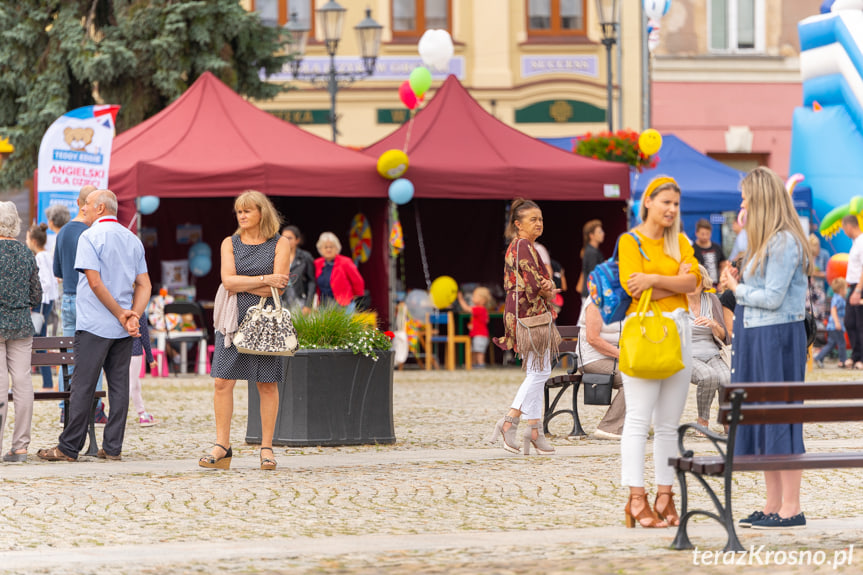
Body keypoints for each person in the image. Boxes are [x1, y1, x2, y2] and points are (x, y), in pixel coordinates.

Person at [720, 166, 812, 530]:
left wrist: (736, 288)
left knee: (780, 418)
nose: (742, 202)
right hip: (758, 334)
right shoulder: (765, 240)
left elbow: (773, 299)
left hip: (776, 337)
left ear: (760, 199)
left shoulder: (785, 240)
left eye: (746, 197)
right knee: (762, 419)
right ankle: (774, 503)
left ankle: (791, 506)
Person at [37, 189, 151, 462]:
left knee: (83, 385)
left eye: (86, 204)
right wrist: (132, 314)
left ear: (100, 208)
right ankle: (112, 448)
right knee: (119, 386)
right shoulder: (132, 239)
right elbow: (145, 284)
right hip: (122, 329)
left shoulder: (89, 237)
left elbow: (95, 282)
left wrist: (121, 314)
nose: (83, 209)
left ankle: (68, 448)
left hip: (94, 324)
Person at [618, 175, 700, 529]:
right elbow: (631, 285)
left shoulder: (680, 240)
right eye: (665, 202)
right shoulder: (630, 241)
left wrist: (654, 280)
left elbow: (695, 282)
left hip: (680, 332)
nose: (671, 209)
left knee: (668, 424)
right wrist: (670, 280)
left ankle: (665, 495)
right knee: (638, 419)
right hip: (646, 333)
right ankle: (637, 498)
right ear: (648, 201)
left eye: (676, 204)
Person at [201, 190, 292, 471]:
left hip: (265, 321)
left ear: (261, 213)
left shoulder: (281, 243)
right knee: (222, 382)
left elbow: (279, 287)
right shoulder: (230, 243)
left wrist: (246, 282)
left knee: (266, 384)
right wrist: (264, 279)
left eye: (247, 211)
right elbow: (228, 282)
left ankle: (266, 448)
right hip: (232, 319)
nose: (241, 216)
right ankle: (222, 446)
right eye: (239, 211)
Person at [489, 198, 558, 455]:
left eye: (540, 219)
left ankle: (534, 430)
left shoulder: (524, 246)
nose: (538, 223)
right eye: (533, 219)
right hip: (528, 312)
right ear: (518, 224)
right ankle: (510, 421)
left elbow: (540, 280)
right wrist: (548, 288)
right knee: (538, 373)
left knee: (536, 372)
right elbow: (534, 284)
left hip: (524, 311)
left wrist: (547, 285)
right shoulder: (523, 246)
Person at [53, 185, 106, 423]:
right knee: (94, 355)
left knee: (70, 356)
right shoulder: (92, 232)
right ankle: (94, 409)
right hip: (90, 299)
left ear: (77, 202)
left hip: (68, 298)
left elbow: (57, 271)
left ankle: (67, 408)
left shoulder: (63, 232)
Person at [0, 201, 42, 463]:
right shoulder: (26, 254)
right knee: (23, 382)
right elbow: (36, 296)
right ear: (15, 224)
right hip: (21, 326)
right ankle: (21, 446)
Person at [686, 264, 731, 430]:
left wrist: (713, 325)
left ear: (703, 283)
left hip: (712, 353)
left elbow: (723, 335)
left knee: (727, 378)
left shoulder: (711, 299)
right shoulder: (676, 302)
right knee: (708, 376)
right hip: (686, 354)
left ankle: (727, 419)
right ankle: (702, 421)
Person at [576, 300, 626, 440]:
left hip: (616, 359)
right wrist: (623, 355)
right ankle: (609, 429)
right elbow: (593, 339)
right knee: (632, 378)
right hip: (591, 360)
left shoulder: (625, 301)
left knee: (651, 373)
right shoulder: (595, 302)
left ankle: (635, 425)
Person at [26, 223, 59, 389]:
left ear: (32, 240)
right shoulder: (47, 255)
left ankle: (47, 382)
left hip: (41, 303)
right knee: (41, 341)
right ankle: (47, 381)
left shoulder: (39, 257)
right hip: (48, 302)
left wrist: (34, 292)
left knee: (38, 342)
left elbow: (44, 281)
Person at [314, 232, 364, 310]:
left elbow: (357, 281)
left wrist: (353, 297)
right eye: (325, 247)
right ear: (320, 249)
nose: (328, 249)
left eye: (331, 247)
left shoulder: (345, 262)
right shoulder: (317, 263)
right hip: (324, 304)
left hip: (343, 303)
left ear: (337, 248)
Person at [129, 312, 159, 426]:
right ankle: (118, 416)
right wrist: (150, 358)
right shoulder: (138, 311)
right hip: (135, 351)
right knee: (130, 385)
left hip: (119, 351)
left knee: (135, 384)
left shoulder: (117, 308)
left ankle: (141, 412)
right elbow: (144, 335)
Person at [842, 214, 863, 370]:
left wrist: (858, 290)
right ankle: (856, 355)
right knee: (849, 322)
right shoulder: (855, 243)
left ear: (849, 226)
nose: (843, 231)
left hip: (859, 286)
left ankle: (861, 358)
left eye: (843, 228)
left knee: (860, 323)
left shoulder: (862, 241)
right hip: (852, 285)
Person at [280, 225, 316, 314]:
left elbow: (312, 282)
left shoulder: (305, 257)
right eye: (283, 238)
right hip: (282, 299)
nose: (286, 241)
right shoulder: (277, 256)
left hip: (300, 299)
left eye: (289, 238)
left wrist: (308, 304)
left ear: (297, 240)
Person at [815, 277, 848, 369]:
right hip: (835, 326)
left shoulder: (837, 298)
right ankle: (843, 361)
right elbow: (833, 310)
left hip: (832, 326)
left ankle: (819, 357)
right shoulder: (839, 299)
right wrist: (837, 323)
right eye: (845, 288)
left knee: (831, 344)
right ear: (841, 290)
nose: (846, 290)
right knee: (841, 343)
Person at [457, 286, 492, 368]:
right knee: (475, 350)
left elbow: (466, 309)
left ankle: (480, 364)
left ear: (482, 300)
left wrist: (460, 299)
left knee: (478, 351)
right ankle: (474, 364)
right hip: (480, 335)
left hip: (480, 335)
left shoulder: (479, 309)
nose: (472, 298)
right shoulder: (483, 310)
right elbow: (486, 320)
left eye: (475, 296)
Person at [692, 219, 726, 287]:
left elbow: (723, 265)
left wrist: (722, 281)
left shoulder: (717, 247)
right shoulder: (692, 249)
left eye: (707, 234)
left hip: (716, 285)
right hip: (700, 286)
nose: (705, 237)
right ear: (696, 233)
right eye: (702, 234)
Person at [579, 219, 605, 300]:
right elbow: (593, 274)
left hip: (592, 293)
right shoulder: (591, 252)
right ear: (591, 235)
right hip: (591, 294)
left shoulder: (593, 251)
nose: (603, 234)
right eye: (599, 232)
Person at [808, 233, 830, 325]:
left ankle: (818, 335)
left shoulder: (824, 254)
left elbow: (828, 273)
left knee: (819, 315)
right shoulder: (805, 255)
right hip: (807, 289)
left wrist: (815, 273)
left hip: (819, 289)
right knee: (808, 314)